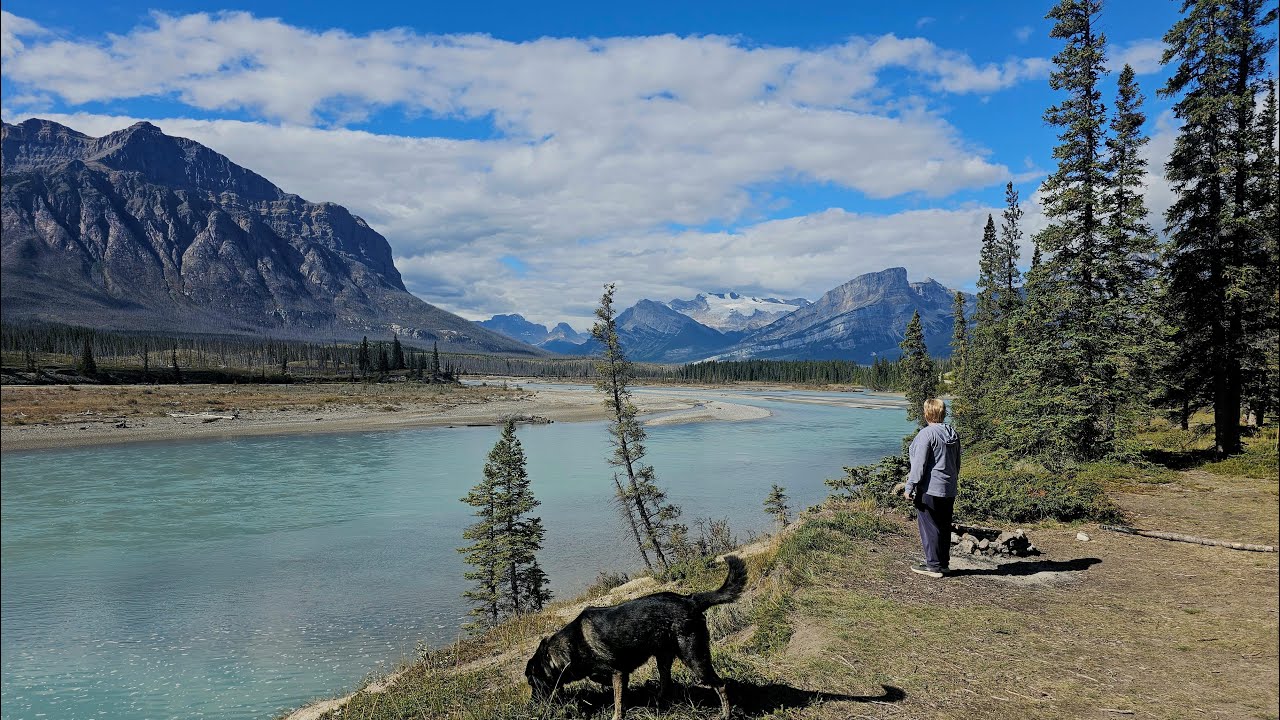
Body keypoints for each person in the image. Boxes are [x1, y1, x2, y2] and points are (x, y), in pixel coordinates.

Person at [903, 397, 960, 578]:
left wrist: (910, 486)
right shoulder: (952, 433)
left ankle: (933, 566)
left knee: (929, 526)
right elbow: (957, 462)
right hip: (949, 488)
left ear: (927, 413)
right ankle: (943, 564)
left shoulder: (926, 434)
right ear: (943, 413)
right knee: (944, 525)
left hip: (930, 488)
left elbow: (919, 465)